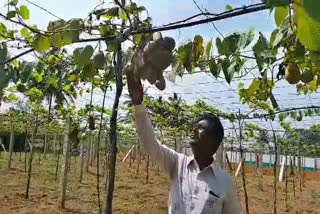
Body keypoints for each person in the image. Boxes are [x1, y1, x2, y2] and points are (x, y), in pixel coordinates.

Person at [126, 52, 240, 214]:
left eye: (199, 128)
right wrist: (138, 104)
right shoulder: (177, 164)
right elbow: (150, 143)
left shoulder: (224, 183)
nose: (192, 130)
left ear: (213, 141)